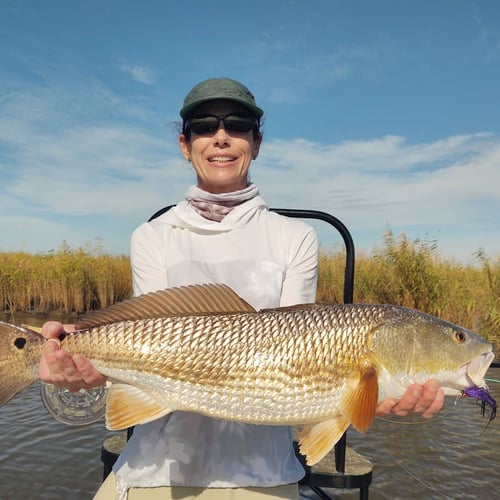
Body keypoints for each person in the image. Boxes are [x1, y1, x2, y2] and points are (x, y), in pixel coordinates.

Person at [39, 77, 444, 499]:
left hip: (265, 475)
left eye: (237, 125)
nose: (221, 137)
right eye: (203, 126)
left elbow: (304, 351)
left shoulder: (296, 238)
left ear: (256, 141)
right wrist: (82, 364)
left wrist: (369, 396)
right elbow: (144, 334)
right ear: (184, 143)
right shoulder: (152, 236)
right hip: (154, 467)